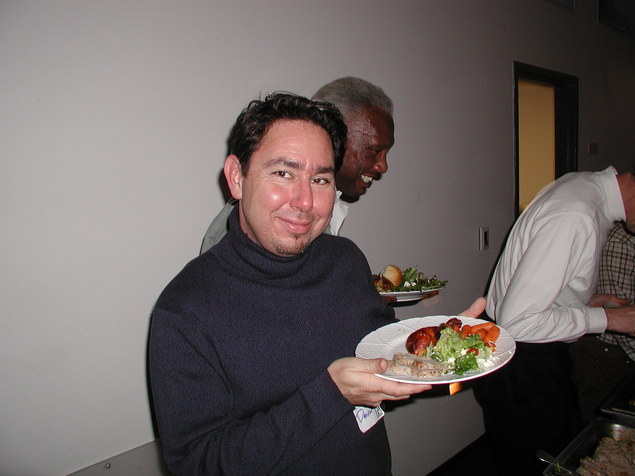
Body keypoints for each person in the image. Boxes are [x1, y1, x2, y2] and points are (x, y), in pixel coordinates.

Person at [149, 93, 486, 475]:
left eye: (320, 179)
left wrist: (440, 343)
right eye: (283, 173)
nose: (305, 201)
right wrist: (331, 393)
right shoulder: (185, 309)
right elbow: (197, 465)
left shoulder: (345, 260)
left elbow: (382, 353)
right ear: (237, 177)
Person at [473, 166, 635, 476]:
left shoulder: (584, 185)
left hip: (519, 356)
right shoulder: (576, 214)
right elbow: (520, 322)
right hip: (523, 363)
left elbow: (537, 285)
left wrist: (584, 301)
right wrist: (610, 319)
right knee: (543, 464)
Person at [199, 76, 394, 253]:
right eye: (374, 151)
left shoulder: (346, 255)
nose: (383, 166)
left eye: (319, 180)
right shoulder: (237, 234)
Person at [570, 221, 635, 424]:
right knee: (600, 426)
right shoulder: (622, 240)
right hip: (606, 352)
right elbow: (620, 316)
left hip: (617, 349)